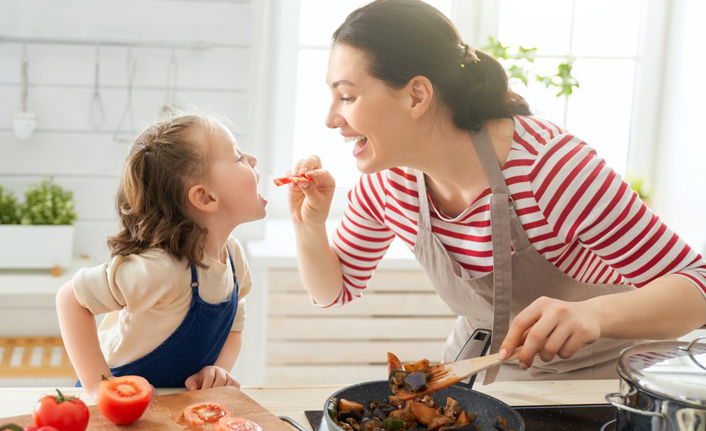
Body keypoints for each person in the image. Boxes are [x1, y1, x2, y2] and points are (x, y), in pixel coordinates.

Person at [286, 0, 706, 383]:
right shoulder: (387, 185)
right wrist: (310, 225)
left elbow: (698, 287)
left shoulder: (551, 170)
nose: (330, 119)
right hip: (483, 369)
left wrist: (594, 314)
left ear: (417, 94)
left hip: (599, 378)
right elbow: (334, 290)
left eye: (346, 96)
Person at [56, 113, 267, 399]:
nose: (252, 158)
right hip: (115, 408)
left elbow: (234, 328)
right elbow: (70, 298)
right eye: (237, 157)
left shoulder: (233, 258)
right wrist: (99, 386)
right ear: (205, 198)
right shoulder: (162, 269)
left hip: (176, 405)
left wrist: (217, 370)